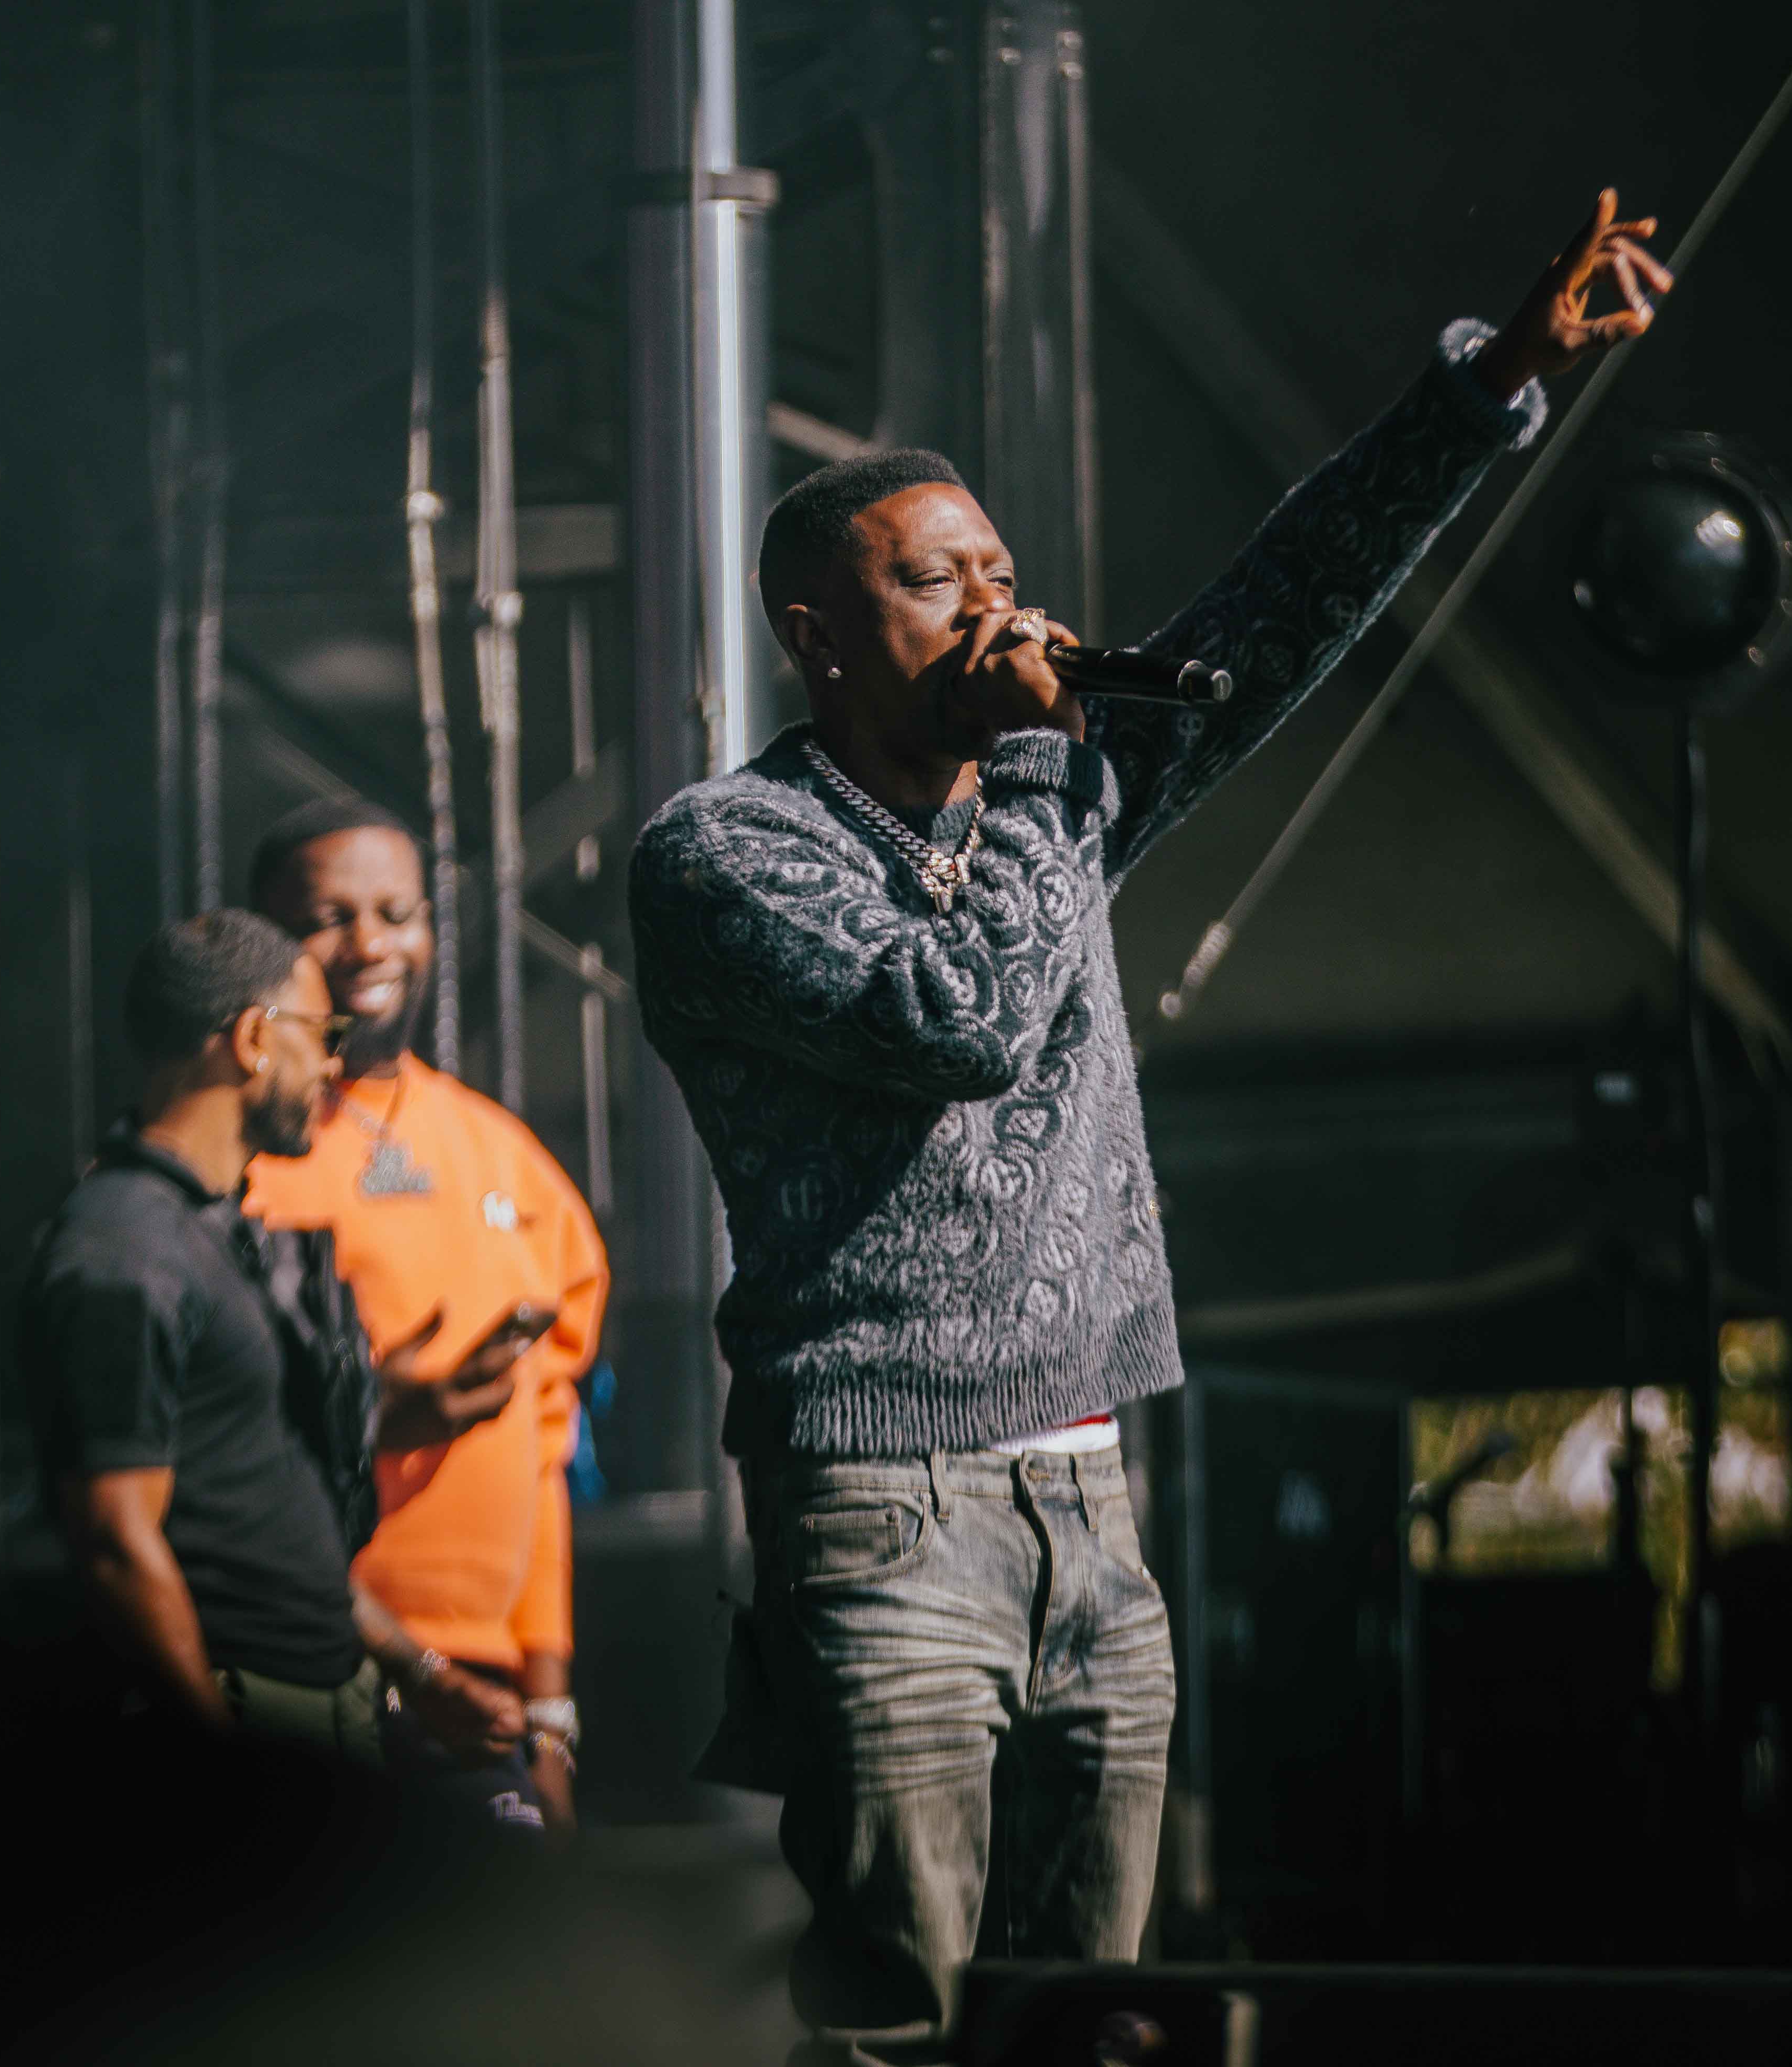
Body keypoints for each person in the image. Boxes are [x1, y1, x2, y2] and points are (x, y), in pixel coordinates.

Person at [628, 193, 1672, 2060]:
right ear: (817, 635)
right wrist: (1049, 765)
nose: (997, 609)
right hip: (884, 1510)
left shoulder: (1056, 796)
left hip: (1094, 1501)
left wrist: (1493, 379)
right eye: (935, 583)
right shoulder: (727, 853)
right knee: (900, 2015)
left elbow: (1290, 602)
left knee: (1095, 2022)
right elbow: (955, 1021)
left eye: (1001, 570)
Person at [245, 797, 611, 1831]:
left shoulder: (506, 1158)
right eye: (329, 917)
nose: (370, 943)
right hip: (300, 1675)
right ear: (267, 941)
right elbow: (205, 1452)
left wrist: (549, 1717)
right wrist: (369, 1416)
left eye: (396, 912)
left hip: (480, 1702)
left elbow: (544, 1449)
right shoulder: (237, 1162)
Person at [21, 909, 382, 1763]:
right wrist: (222, 1761)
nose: (333, 1063)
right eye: (322, 1033)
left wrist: (425, 1672)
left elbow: (258, 1491)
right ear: (255, 1038)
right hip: (251, 1725)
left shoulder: (210, 1228)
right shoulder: (123, 1248)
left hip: (319, 1709)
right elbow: (115, 1543)